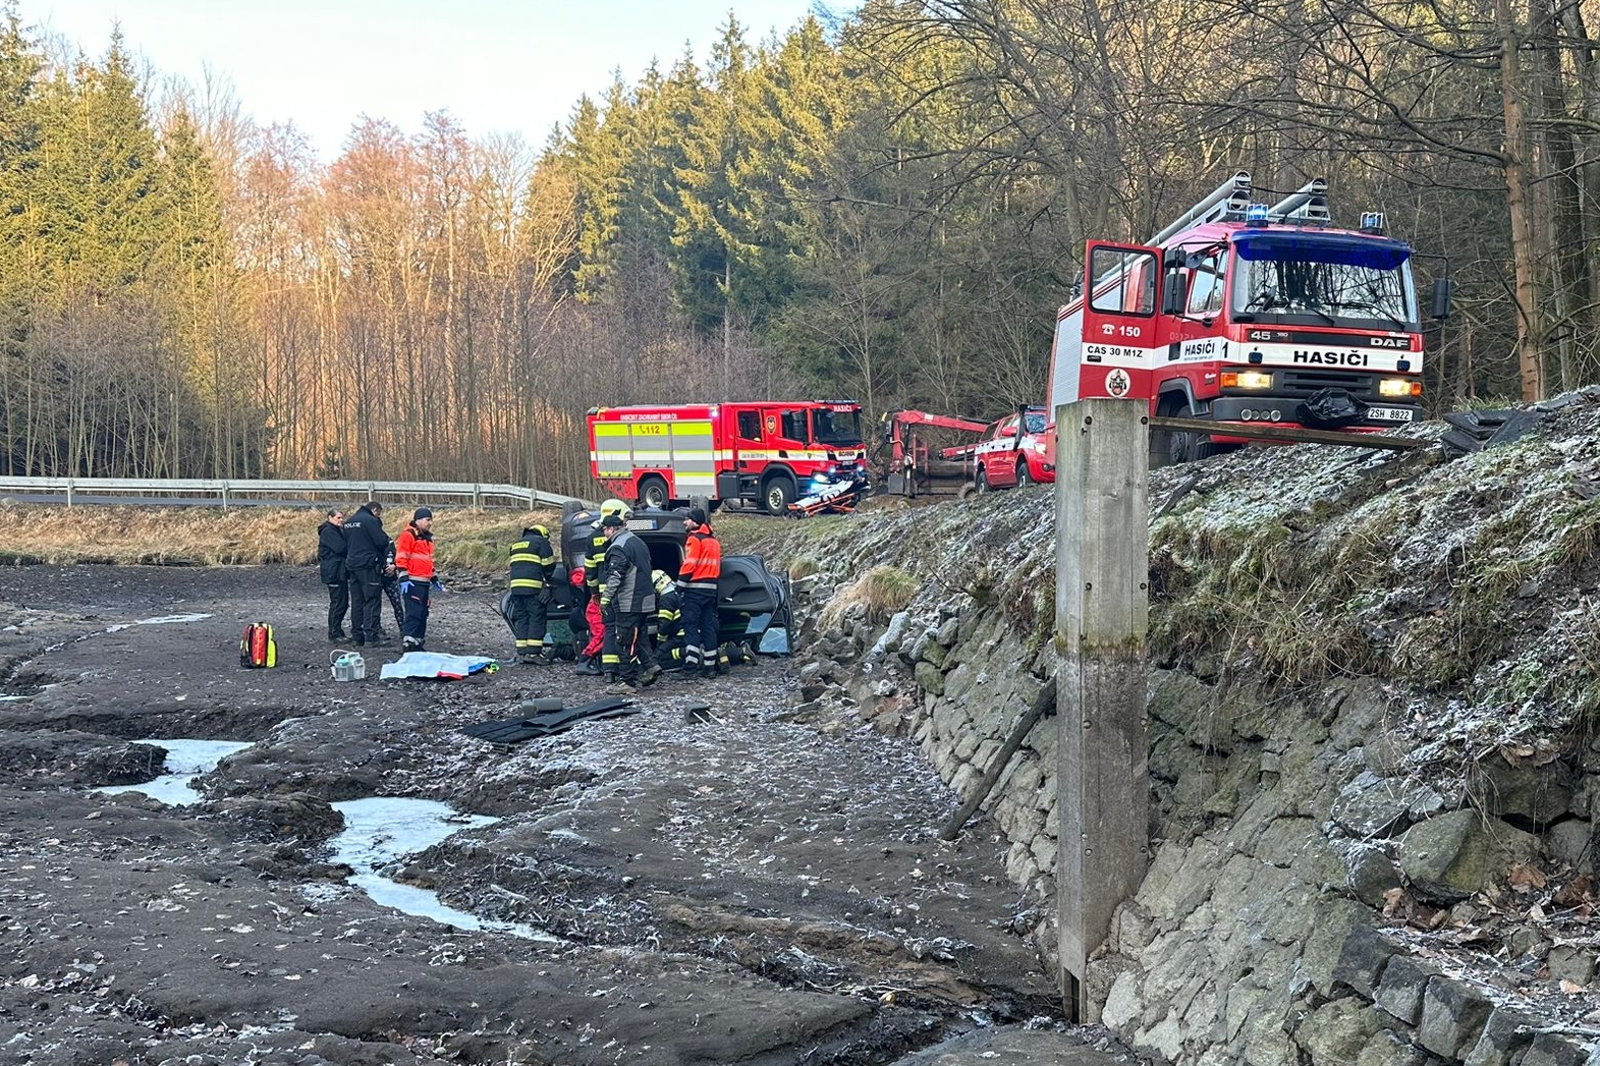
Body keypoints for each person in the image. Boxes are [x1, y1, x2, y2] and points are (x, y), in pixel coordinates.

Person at [598, 513, 659, 689]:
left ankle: (627, 682)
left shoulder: (618, 547)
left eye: (604, 530)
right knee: (639, 637)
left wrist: (605, 599)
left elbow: (616, 576)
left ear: (610, 529)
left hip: (628, 601)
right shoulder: (638, 542)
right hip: (645, 600)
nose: (604, 533)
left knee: (624, 640)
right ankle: (651, 667)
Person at [579, 499, 630, 680]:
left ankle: (609, 671)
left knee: (609, 629)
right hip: (622, 591)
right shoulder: (624, 538)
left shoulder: (592, 538)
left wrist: (594, 594)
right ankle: (628, 668)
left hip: (602, 592)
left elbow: (590, 572)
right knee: (624, 628)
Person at [678, 506, 723, 678]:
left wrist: (679, 585)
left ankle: (690, 666)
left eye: (687, 519)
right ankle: (709, 667)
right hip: (711, 590)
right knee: (707, 627)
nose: (684, 522)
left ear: (695, 521)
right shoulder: (714, 542)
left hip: (694, 590)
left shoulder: (694, 540)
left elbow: (690, 563)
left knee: (690, 626)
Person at [342, 501, 393, 647]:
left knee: (357, 601)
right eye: (379, 513)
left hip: (352, 565)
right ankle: (371, 636)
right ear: (375, 510)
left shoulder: (349, 522)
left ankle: (357, 636)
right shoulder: (370, 520)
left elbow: (346, 544)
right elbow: (381, 541)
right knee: (372, 600)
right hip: (368, 565)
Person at [507, 521, 557, 663]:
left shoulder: (516, 544)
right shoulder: (540, 542)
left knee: (522, 617)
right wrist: (548, 580)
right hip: (532, 588)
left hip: (516, 588)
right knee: (537, 617)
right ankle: (534, 653)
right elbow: (548, 564)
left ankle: (522, 652)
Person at [394, 507, 439, 652]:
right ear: (418, 520)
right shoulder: (409, 535)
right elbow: (402, 556)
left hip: (423, 580)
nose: (430, 523)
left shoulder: (426, 538)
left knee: (422, 612)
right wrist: (403, 576)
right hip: (413, 580)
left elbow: (427, 561)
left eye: (430, 520)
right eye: (427, 520)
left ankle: (417, 641)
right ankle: (409, 642)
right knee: (414, 612)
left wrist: (433, 577)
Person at [317, 508, 349, 641]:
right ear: (330, 517)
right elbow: (340, 548)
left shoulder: (335, 531)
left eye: (341, 518)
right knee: (338, 602)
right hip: (333, 571)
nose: (341, 520)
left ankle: (337, 630)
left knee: (342, 602)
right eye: (338, 518)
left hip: (338, 570)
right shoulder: (328, 532)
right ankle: (334, 632)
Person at [651, 569, 684, 669]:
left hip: (680, 636)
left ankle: (689, 654)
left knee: (659, 658)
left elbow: (664, 625)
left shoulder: (667, 599)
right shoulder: (678, 592)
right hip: (689, 632)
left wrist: (660, 644)